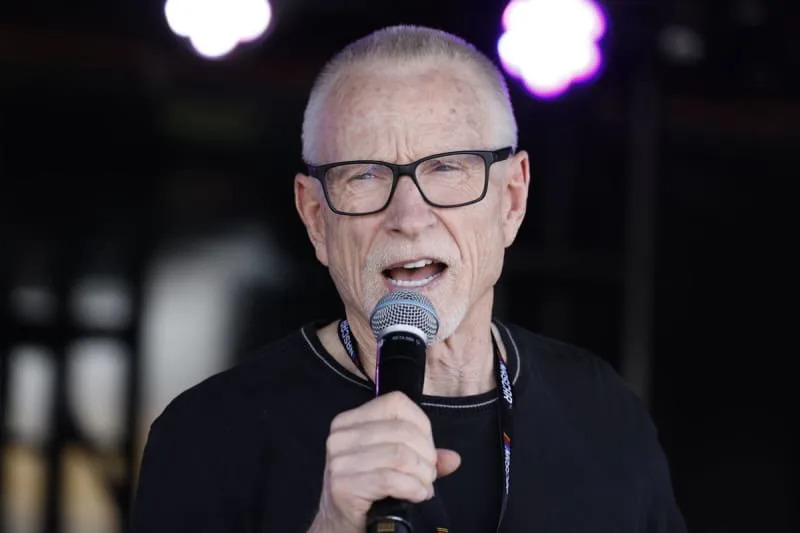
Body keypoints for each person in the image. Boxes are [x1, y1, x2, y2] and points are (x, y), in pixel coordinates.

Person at [131, 25, 687, 533]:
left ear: (511, 200)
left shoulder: (602, 412)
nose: (408, 217)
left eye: (447, 167)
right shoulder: (207, 436)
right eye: (365, 175)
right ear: (316, 218)